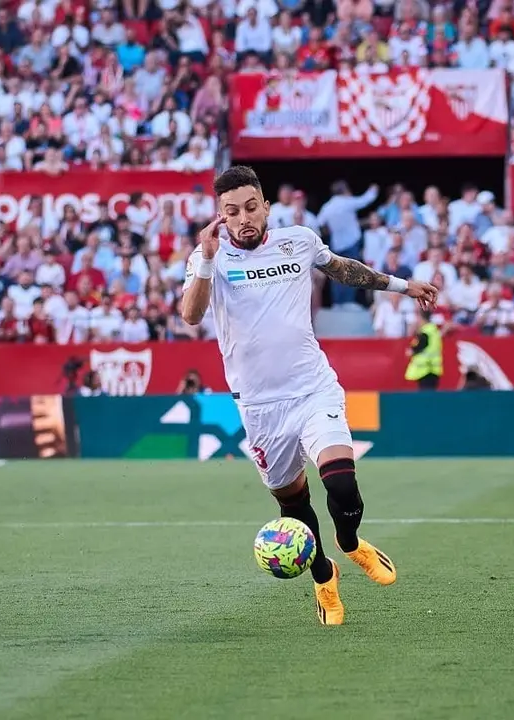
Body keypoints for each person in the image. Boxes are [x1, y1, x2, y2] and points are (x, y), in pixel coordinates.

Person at [180, 166, 438, 626]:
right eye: (231, 211)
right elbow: (191, 315)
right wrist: (205, 259)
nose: (243, 218)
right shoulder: (208, 257)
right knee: (293, 504)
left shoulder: (297, 241)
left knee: (341, 484)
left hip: (312, 387)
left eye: (251, 207)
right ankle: (324, 576)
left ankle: (350, 542)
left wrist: (402, 285)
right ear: (220, 216)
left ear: (266, 208)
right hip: (259, 405)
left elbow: (345, 270)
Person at [405, 309, 444, 390]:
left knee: (426, 394)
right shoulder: (433, 329)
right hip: (433, 369)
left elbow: (420, 345)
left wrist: (412, 351)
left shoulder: (425, 332)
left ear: (421, 317)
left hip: (426, 369)